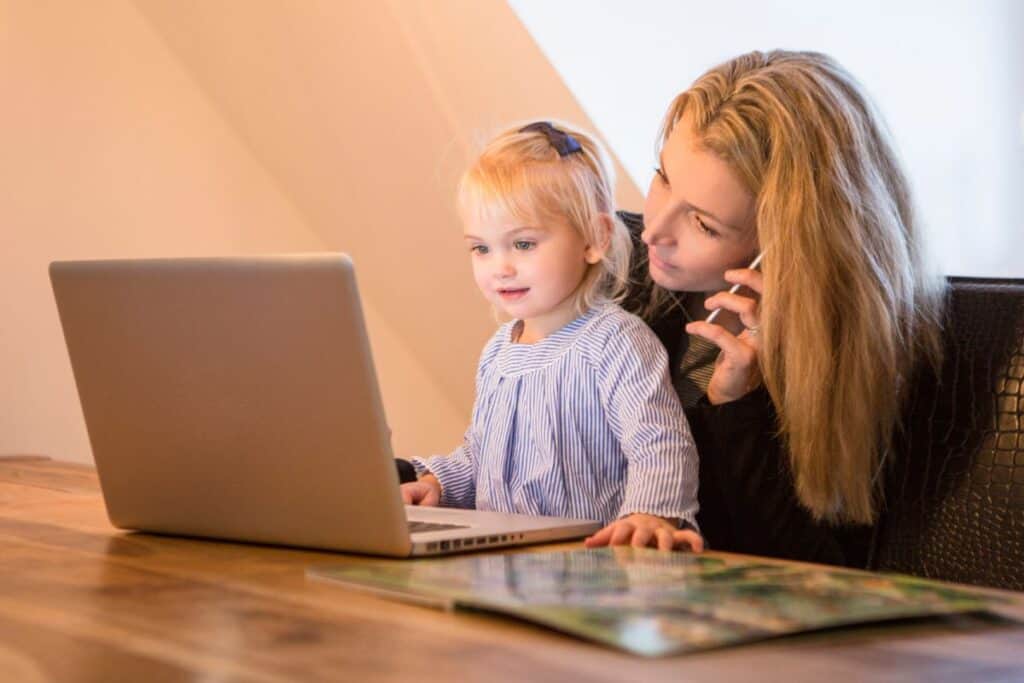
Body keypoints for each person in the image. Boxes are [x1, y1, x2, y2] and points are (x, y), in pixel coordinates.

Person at [588, 50, 946, 566]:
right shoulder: (621, 272)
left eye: (704, 225)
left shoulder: (859, 355)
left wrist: (739, 410)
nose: (653, 230)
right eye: (662, 176)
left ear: (786, 246)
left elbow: (817, 574)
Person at [401, 121, 703, 550]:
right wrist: (437, 482)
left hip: (591, 566)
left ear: (595, 239)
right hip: (506, 562)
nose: (499, 267)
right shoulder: (497, 353)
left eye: (523, 244)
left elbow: (660, 442)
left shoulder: (616, 343)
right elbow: (483, 455)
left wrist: (650, 514)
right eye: (481, 248)